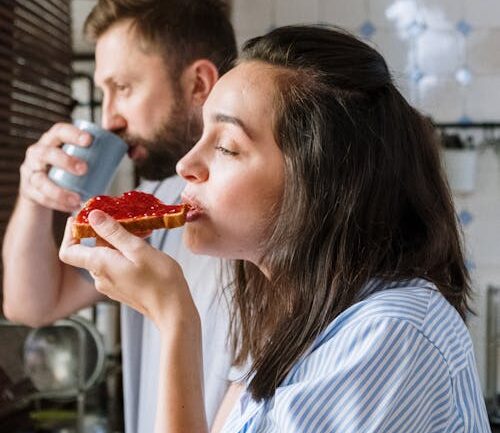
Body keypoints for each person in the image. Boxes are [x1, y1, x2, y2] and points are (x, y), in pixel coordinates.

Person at [59, 25, 491, 433]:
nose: (185, 166)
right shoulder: (289, 325)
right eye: (202, 134)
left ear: (323, 181)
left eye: (226, 146)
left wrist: (175, 319)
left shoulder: (392, 335)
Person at [2, 0, 237, 431]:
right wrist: (33, 196)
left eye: (123, 87)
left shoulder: (255, 211)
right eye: (103, 91)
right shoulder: (148, 206)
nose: (109, 117)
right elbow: (29, 305)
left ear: (198, 84)